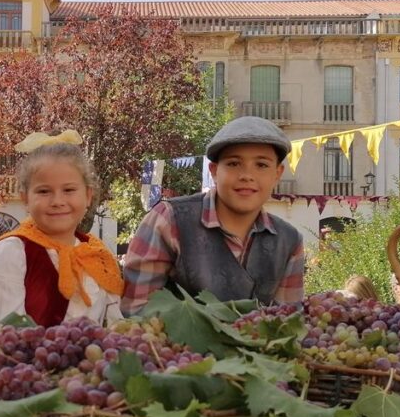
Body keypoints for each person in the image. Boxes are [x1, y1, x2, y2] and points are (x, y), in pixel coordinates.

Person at [121, 116, 304, 316]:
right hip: (175, 346)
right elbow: (136, 311)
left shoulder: (289, 241)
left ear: (277, 174)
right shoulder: (169, 220)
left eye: (261, 165)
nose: (247, 175)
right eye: (234, 164)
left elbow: (287, 321)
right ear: (214, 171)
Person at [0, 130, 123, 333]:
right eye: (44, 191)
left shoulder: (97, 255)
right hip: (29, 362)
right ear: (25, 199)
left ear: (88, 196)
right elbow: (2, 337)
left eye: (69, 190)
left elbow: (116, 328)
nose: (57, 202)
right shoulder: (11, 253)